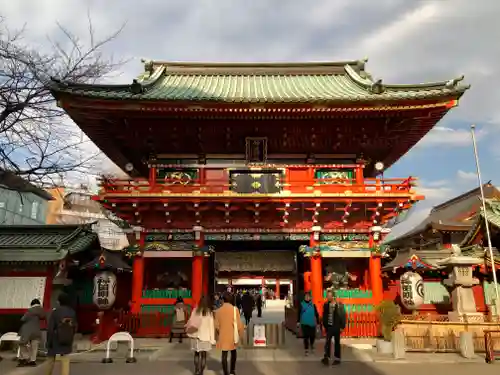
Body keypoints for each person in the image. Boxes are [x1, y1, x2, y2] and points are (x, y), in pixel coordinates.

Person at [45, 293, 77, 375]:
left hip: (55, 339)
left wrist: (48, 342)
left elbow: (50, 328)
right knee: (65, 360)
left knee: (50, 360)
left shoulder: (55, 312)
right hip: (67, 338)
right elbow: (75, 326)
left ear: (59, 301)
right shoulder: (72, 312)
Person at [215, 292, 244, 375]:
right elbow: (238, 325)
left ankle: (225, 372)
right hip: (232, 335)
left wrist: (219, 332)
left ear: (223, 300)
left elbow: (216, 325)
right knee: (233, 353)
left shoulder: (218, 311)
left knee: (224, 354)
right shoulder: (235, 310)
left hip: (223, 335)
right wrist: (240, 333)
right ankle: (232, 370)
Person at [187, 295, 216, 375]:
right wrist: (212, 339)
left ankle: (196, 370)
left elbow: (190, 322)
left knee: (196, 354)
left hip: (195, 336)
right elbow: (211, 327)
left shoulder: (195, 311)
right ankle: (201, 372)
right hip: (205, 337)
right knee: (203, 356)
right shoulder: (209, 312)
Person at [18, 298, 46, 367]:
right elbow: (43, 317)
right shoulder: (41, 311)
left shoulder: (30, 310)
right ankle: (32, 361)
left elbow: (23, 319)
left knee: (22, 344)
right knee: (35, 346)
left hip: (27, 330)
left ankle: (26, 358)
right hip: (36, 330)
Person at [321, 290, 346, 366]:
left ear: (333, 296)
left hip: (337, 327)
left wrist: (342, 327)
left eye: (329, 296)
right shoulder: (326, 305)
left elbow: (343, 316)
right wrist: (324, 325)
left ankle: (337, 359)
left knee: (337, 343)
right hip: (329, 327)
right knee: (327, 342)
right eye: (327, 296)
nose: (327, 297)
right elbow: (324, 316)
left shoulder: (339, 305)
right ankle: (326, 358)